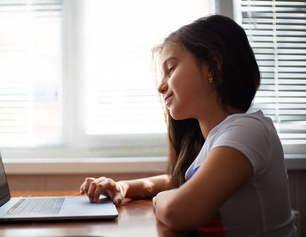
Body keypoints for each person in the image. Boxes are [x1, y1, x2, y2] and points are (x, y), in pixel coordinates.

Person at [79, 15, 297, 236]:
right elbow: (177, 180)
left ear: (213, 66)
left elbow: (178, 211)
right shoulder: (219, 139)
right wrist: (123, 187)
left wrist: (162, 198)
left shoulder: (248, 131)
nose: (160, 87)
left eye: (171, 69)